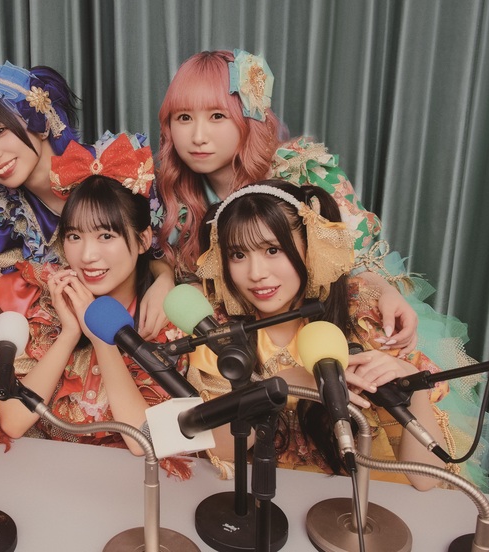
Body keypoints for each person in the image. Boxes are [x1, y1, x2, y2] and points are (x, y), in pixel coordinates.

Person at [0, 141, 191, 476]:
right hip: (43, 477)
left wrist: (100, 337)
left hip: (132, 485)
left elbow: (143, 440)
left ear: (143, 240)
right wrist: (70, 333)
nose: (87, 256)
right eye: (75, 237)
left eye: (106, 236)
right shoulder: (47, 299)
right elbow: (14, 421)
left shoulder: (163, 320)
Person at [191, 179, 466, 491]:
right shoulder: (221, 333)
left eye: (272, 250)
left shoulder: (361, 317)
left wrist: (410, 383)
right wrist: (282, 384)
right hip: (265, 498)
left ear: (312, 247)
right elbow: (219, 451)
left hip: (366, 499)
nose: (256, 273)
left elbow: (426, 479)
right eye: (238, 255)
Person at [156, 49, 419, 352]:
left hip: (322, 328)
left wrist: (385, 291)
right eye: (184, 117)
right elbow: (164, 260)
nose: (198, 136)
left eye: (217, 116)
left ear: (249, 116)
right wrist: (163, 278)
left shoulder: (300, 170)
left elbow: (354, 258)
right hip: (244, 342)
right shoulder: (175, 198)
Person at [0, 61, 173, 339]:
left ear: (41, 123)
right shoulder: (7, 215)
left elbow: (157, 247)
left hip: (142, 327)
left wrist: (166, 279)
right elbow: (16, 314)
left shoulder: (111, 168)